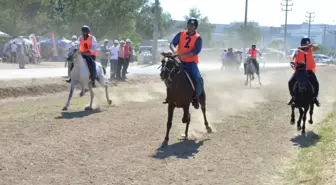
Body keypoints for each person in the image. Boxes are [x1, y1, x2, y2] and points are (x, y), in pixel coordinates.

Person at [164, 18, 203, 109]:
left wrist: (185, 55)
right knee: (166, 75)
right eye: (189, 25)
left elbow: (196, 50)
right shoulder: (181, 34)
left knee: (198, 78)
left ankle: (195, 98)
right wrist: (174, 52)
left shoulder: (198, 38)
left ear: (195, 27)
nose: (190, 27)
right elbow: (172, 44)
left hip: (191, 63)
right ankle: (170, 94)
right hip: (178, 61)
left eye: (192, 26)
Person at [287, 37, 320, 106]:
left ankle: (315, 98)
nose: (306, 46)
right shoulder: (297, 50)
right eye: (304, 44)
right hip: (299, 71)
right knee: (290, 82)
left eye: (307, 44)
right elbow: (292, 56)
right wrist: (292, 60)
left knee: (316, 83)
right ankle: (293, 97)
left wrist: (312, 45)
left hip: (309, 71)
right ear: (302, 44)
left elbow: (317, 48)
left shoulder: (310, 50)